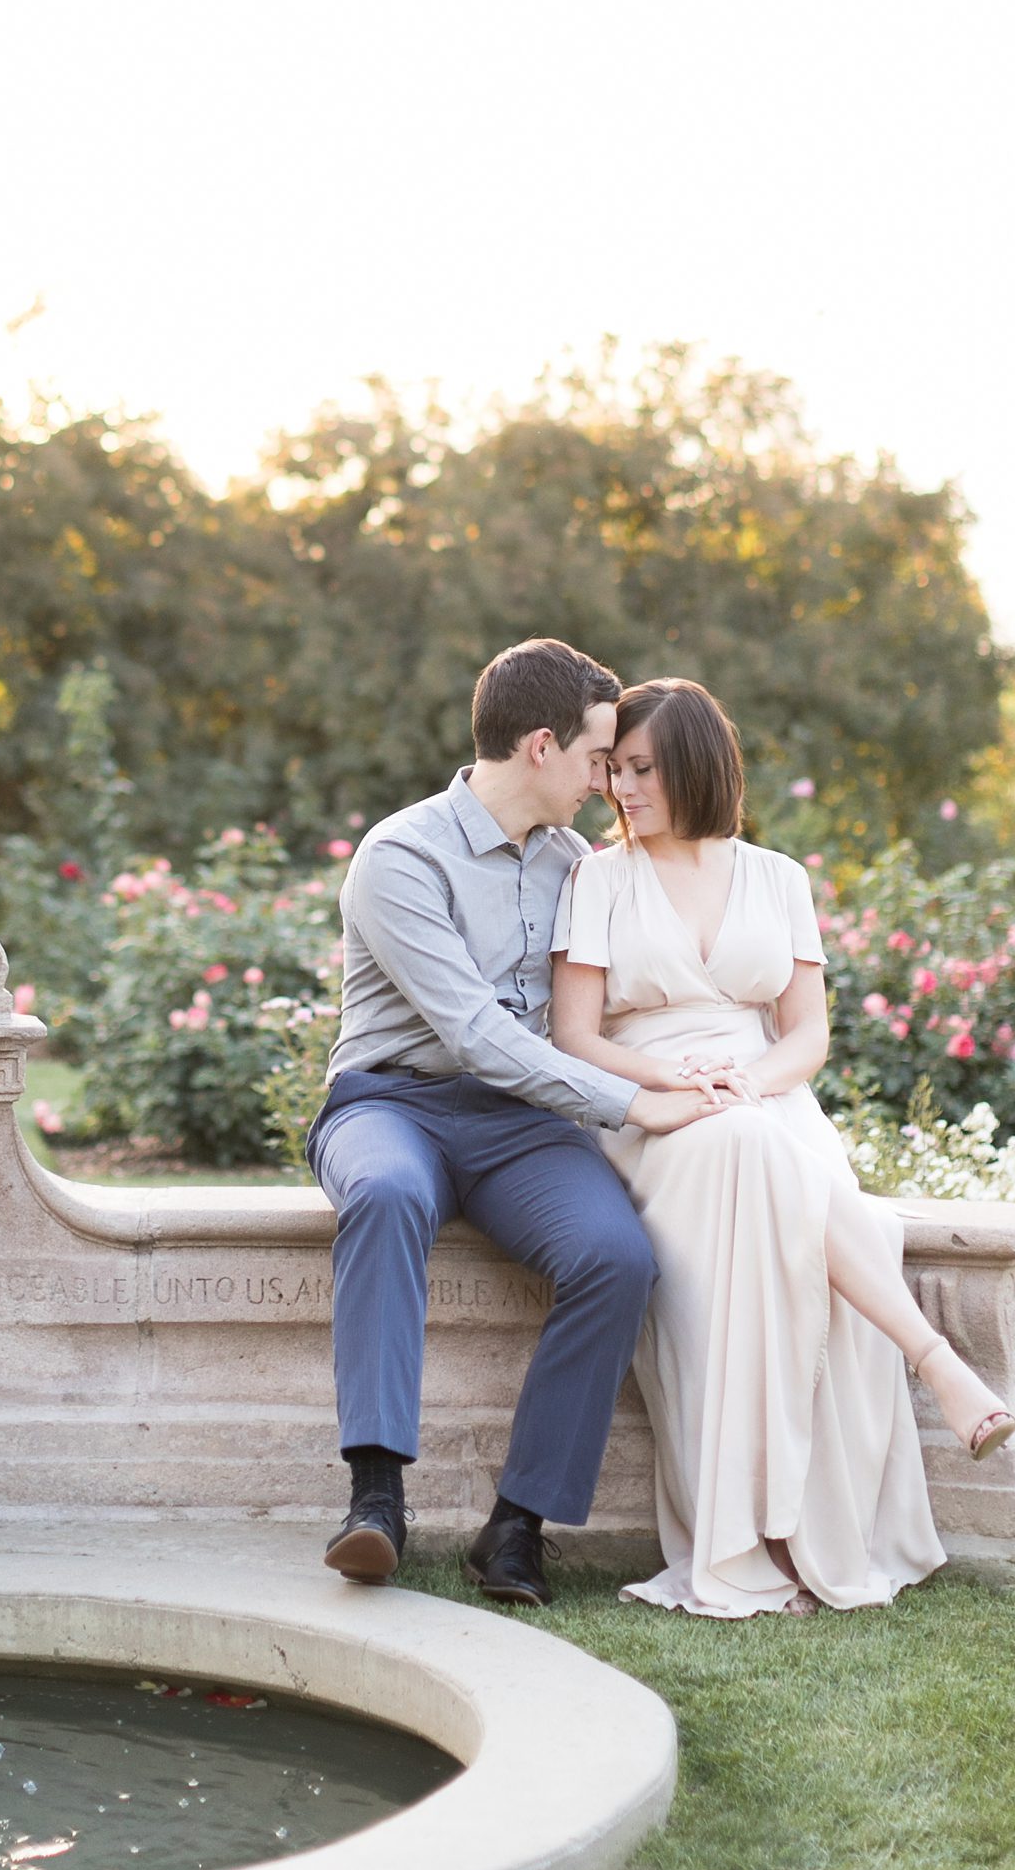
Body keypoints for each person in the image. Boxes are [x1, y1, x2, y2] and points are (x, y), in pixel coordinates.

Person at [549, 676, 1015, 1617]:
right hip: (656, 1112)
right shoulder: (597, 877)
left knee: (769, 1154)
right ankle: (934, 1362)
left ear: (692, 765)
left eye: (640, 769)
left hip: (767, 1097)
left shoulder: (779, 878)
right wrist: (684, 1087)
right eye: (612, 771)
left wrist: (751, 1085)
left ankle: (802, 1535)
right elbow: (576, 1039)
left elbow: (807, 1035)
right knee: (754, 1157)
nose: (621, 789)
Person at [309, 639, 724, 1606]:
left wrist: (693, 1065)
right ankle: (375, 1500)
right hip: (390, 1102)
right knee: (383, 1194)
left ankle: (517, 1527)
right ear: (541, 747)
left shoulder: (576, 863)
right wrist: (633, 1104)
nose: (605, 780)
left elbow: (604, 1010)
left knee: (616, 1256)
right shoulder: (401, 854)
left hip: (521, 1123)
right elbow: (471, 1030)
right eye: (594, 757)